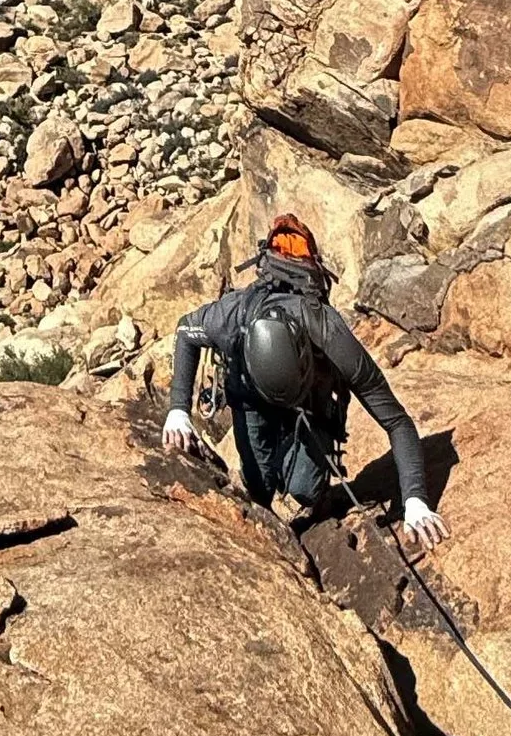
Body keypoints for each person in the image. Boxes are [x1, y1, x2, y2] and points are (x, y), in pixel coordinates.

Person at [161, 213, 446, 549]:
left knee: (304, 490)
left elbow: (397, 421)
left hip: (309, 406)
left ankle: (310, 486)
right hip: (251, 398)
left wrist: (415, 500)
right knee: (258, 483)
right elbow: (185, 331)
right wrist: (178, 410)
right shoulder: (233, 316)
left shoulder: (327, 331)